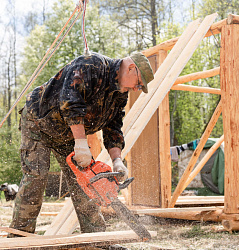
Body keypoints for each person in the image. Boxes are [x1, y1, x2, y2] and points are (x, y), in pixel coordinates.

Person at [9, 51, 154, 236]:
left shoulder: (119, 94)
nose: (136, 89)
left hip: (68, 133)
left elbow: (114, 127)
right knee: (36, 177)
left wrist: (117, 160)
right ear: (132, 68)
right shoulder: (91, 65)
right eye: (139, 83)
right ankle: (19, 237)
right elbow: (71, 101)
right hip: (39, 124)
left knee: (86, 182)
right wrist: (80, 143)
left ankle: (95, 237)